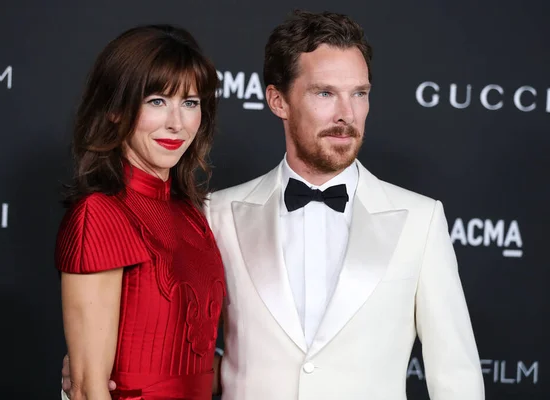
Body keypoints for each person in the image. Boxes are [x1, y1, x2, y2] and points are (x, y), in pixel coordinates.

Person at [62, 10, 485, 400]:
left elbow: (457, 378)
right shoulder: (216, 213)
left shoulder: (421, 220)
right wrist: (91, 376)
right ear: (278, 101)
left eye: (359, 93)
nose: (346, 113)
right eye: (324, 93)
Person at [55, 24, 224, 400]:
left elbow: (192, 368)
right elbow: (87, 389)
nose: (176, 123)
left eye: (190, 103)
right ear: (115, 108)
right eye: (157, 101)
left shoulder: (192, 214)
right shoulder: (99, 214)